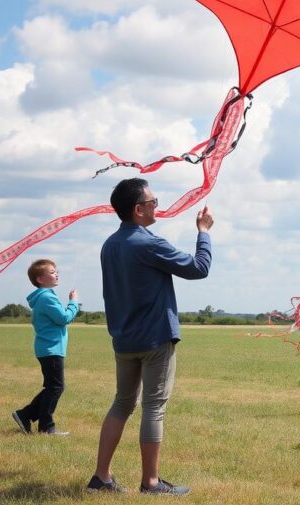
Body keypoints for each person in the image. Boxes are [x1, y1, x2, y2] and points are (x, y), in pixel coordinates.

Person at [86, 178, 213, 495]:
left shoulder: (109, 245)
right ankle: (151, 483)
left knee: (121, 404)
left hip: (124, 340)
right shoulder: (148, 243)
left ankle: (101, 477)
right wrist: (204, 232)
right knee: (153, 408)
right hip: (155, 339)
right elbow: (199, 268)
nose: (158, 206)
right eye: (154, 202)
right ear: (139, 209)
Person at [12, 259, 79, 436]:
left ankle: (25, 415)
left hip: (48, 349)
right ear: (40, 279)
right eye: (52, 272)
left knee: (53, 387)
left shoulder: (44, 297)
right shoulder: (47, 297)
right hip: (51, 349)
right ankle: (44, 425)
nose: (56, 274)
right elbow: (64, 318)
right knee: (55, 388)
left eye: (56, 271)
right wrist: (73, 303)